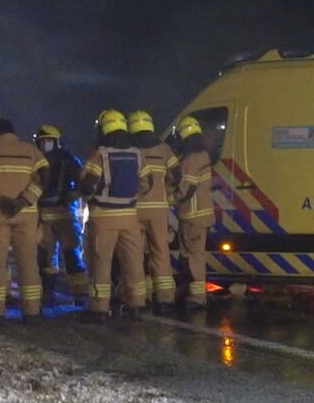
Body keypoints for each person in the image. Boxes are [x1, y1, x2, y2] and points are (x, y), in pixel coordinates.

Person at [0, 118, 48, 324]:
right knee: (28, 262)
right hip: (26, 214)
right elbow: (45, 177)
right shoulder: (31, 151)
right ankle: (32, 311)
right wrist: (24, 200)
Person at [80, 109, 151, 322]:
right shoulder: (137, 154)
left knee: (101, 262)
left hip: (103, 217)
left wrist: (90, 197)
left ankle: (99, 308)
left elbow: (88, 185)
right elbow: (148, 183)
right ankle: (136, 304)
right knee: (133, 262)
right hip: (130, 216)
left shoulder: (99, 155)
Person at [129, 110, 179, 313]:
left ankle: (140, 298)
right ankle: (165, 298)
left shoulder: (131, 150)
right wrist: (165, 192)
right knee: (160, 252)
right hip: (159, 210)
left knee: (135, 254)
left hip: (135, 210)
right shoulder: (164, 149)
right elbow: (177, 175)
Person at [34, 124, 87, 305]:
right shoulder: (36, 159)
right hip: (42, 213)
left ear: (56, 141)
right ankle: (47, 293)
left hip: (65, 213)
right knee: (44, 257)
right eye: (42, 142)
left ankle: (80, 294)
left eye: (48, 141)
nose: (44, 144)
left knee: (72, 253)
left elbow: (84, 181)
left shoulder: (69, 160)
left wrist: (75, 194)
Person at [171, 114, 215, 312]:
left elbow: (186, 190)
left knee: (194, 256)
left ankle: (197, 297)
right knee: (188, 254)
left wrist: (168, 200)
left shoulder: (190, 158)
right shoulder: (203, 154)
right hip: (199, 214)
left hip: (192, 215)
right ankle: (188, 290)